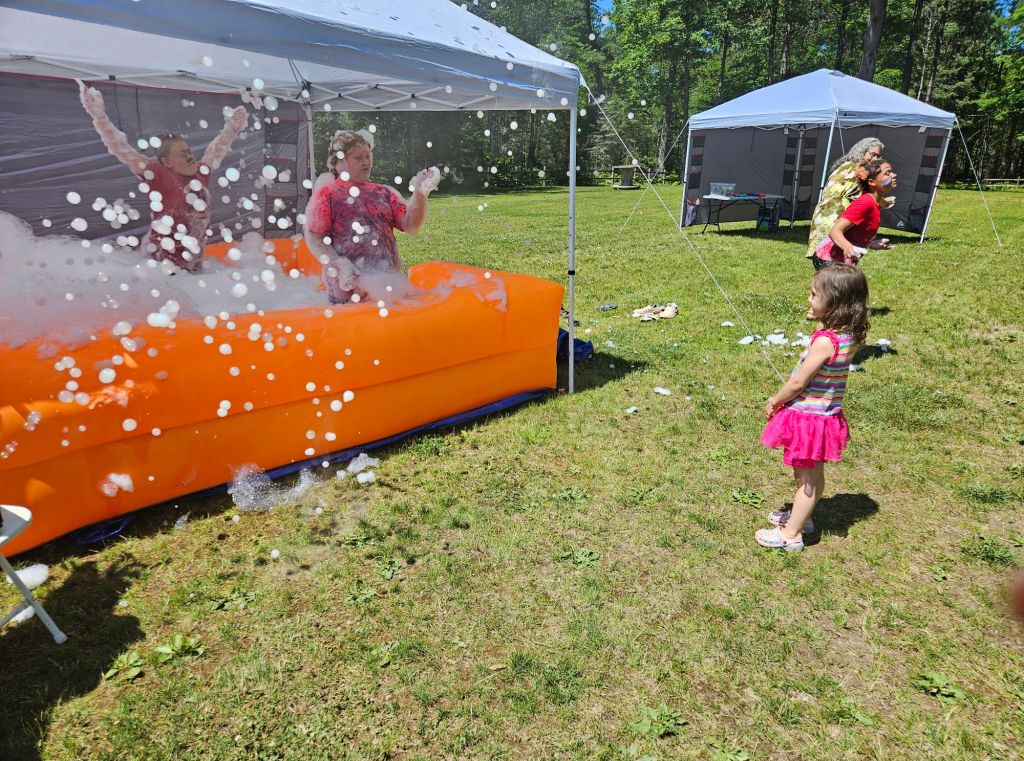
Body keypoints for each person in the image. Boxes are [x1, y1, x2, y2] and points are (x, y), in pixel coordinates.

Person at [755, 266, 869, 552]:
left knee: (806, 479)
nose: (809, 299)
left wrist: (775, 400)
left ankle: (791, 534)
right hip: (826, 418)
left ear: (835, 303)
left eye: (815, 295)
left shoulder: (825, 341)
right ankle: (801, 517)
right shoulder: (847, 336)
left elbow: (798, 383)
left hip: (807, 420)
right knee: (813, 476)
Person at [78, 80, 248, 271]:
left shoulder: (201, 173)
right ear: (167, 162)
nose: (189, 156)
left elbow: (215, 151)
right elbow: (123, 150)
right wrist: (100, 118)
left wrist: (231, 129)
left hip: (193, 261)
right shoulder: (158, 175)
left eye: (189, 151)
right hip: (161, 264)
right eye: (182, 154)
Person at [304, 129, 435, 304]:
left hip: (386, 285)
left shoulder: (383, 192)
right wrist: (338, 263)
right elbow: (315, 237)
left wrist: (420, 191)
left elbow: (411, 224)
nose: (366, 162)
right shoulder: (328, 194)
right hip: (346, 291)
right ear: (339, 162)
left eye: (368, 156)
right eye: (358, 158)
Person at [806, 138, 890, 260]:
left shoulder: (850, 165)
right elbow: (865, 194)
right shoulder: (855, 168)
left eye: (878, 156)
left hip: (830, 215)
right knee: (830, 258)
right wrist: (883, 201)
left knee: (833, 259)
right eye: (873, 154)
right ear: (862, 151)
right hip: (832, 216)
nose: (876, 159)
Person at [811, 158, 897, 269]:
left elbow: (854, 233)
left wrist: (870, 244)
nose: (893, 175)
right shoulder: (865, 202)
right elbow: (835, 231)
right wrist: (848, 248)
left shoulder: (874, 202)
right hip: (829, 260)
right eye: (887, 173)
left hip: (841, 261)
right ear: (872, 182)